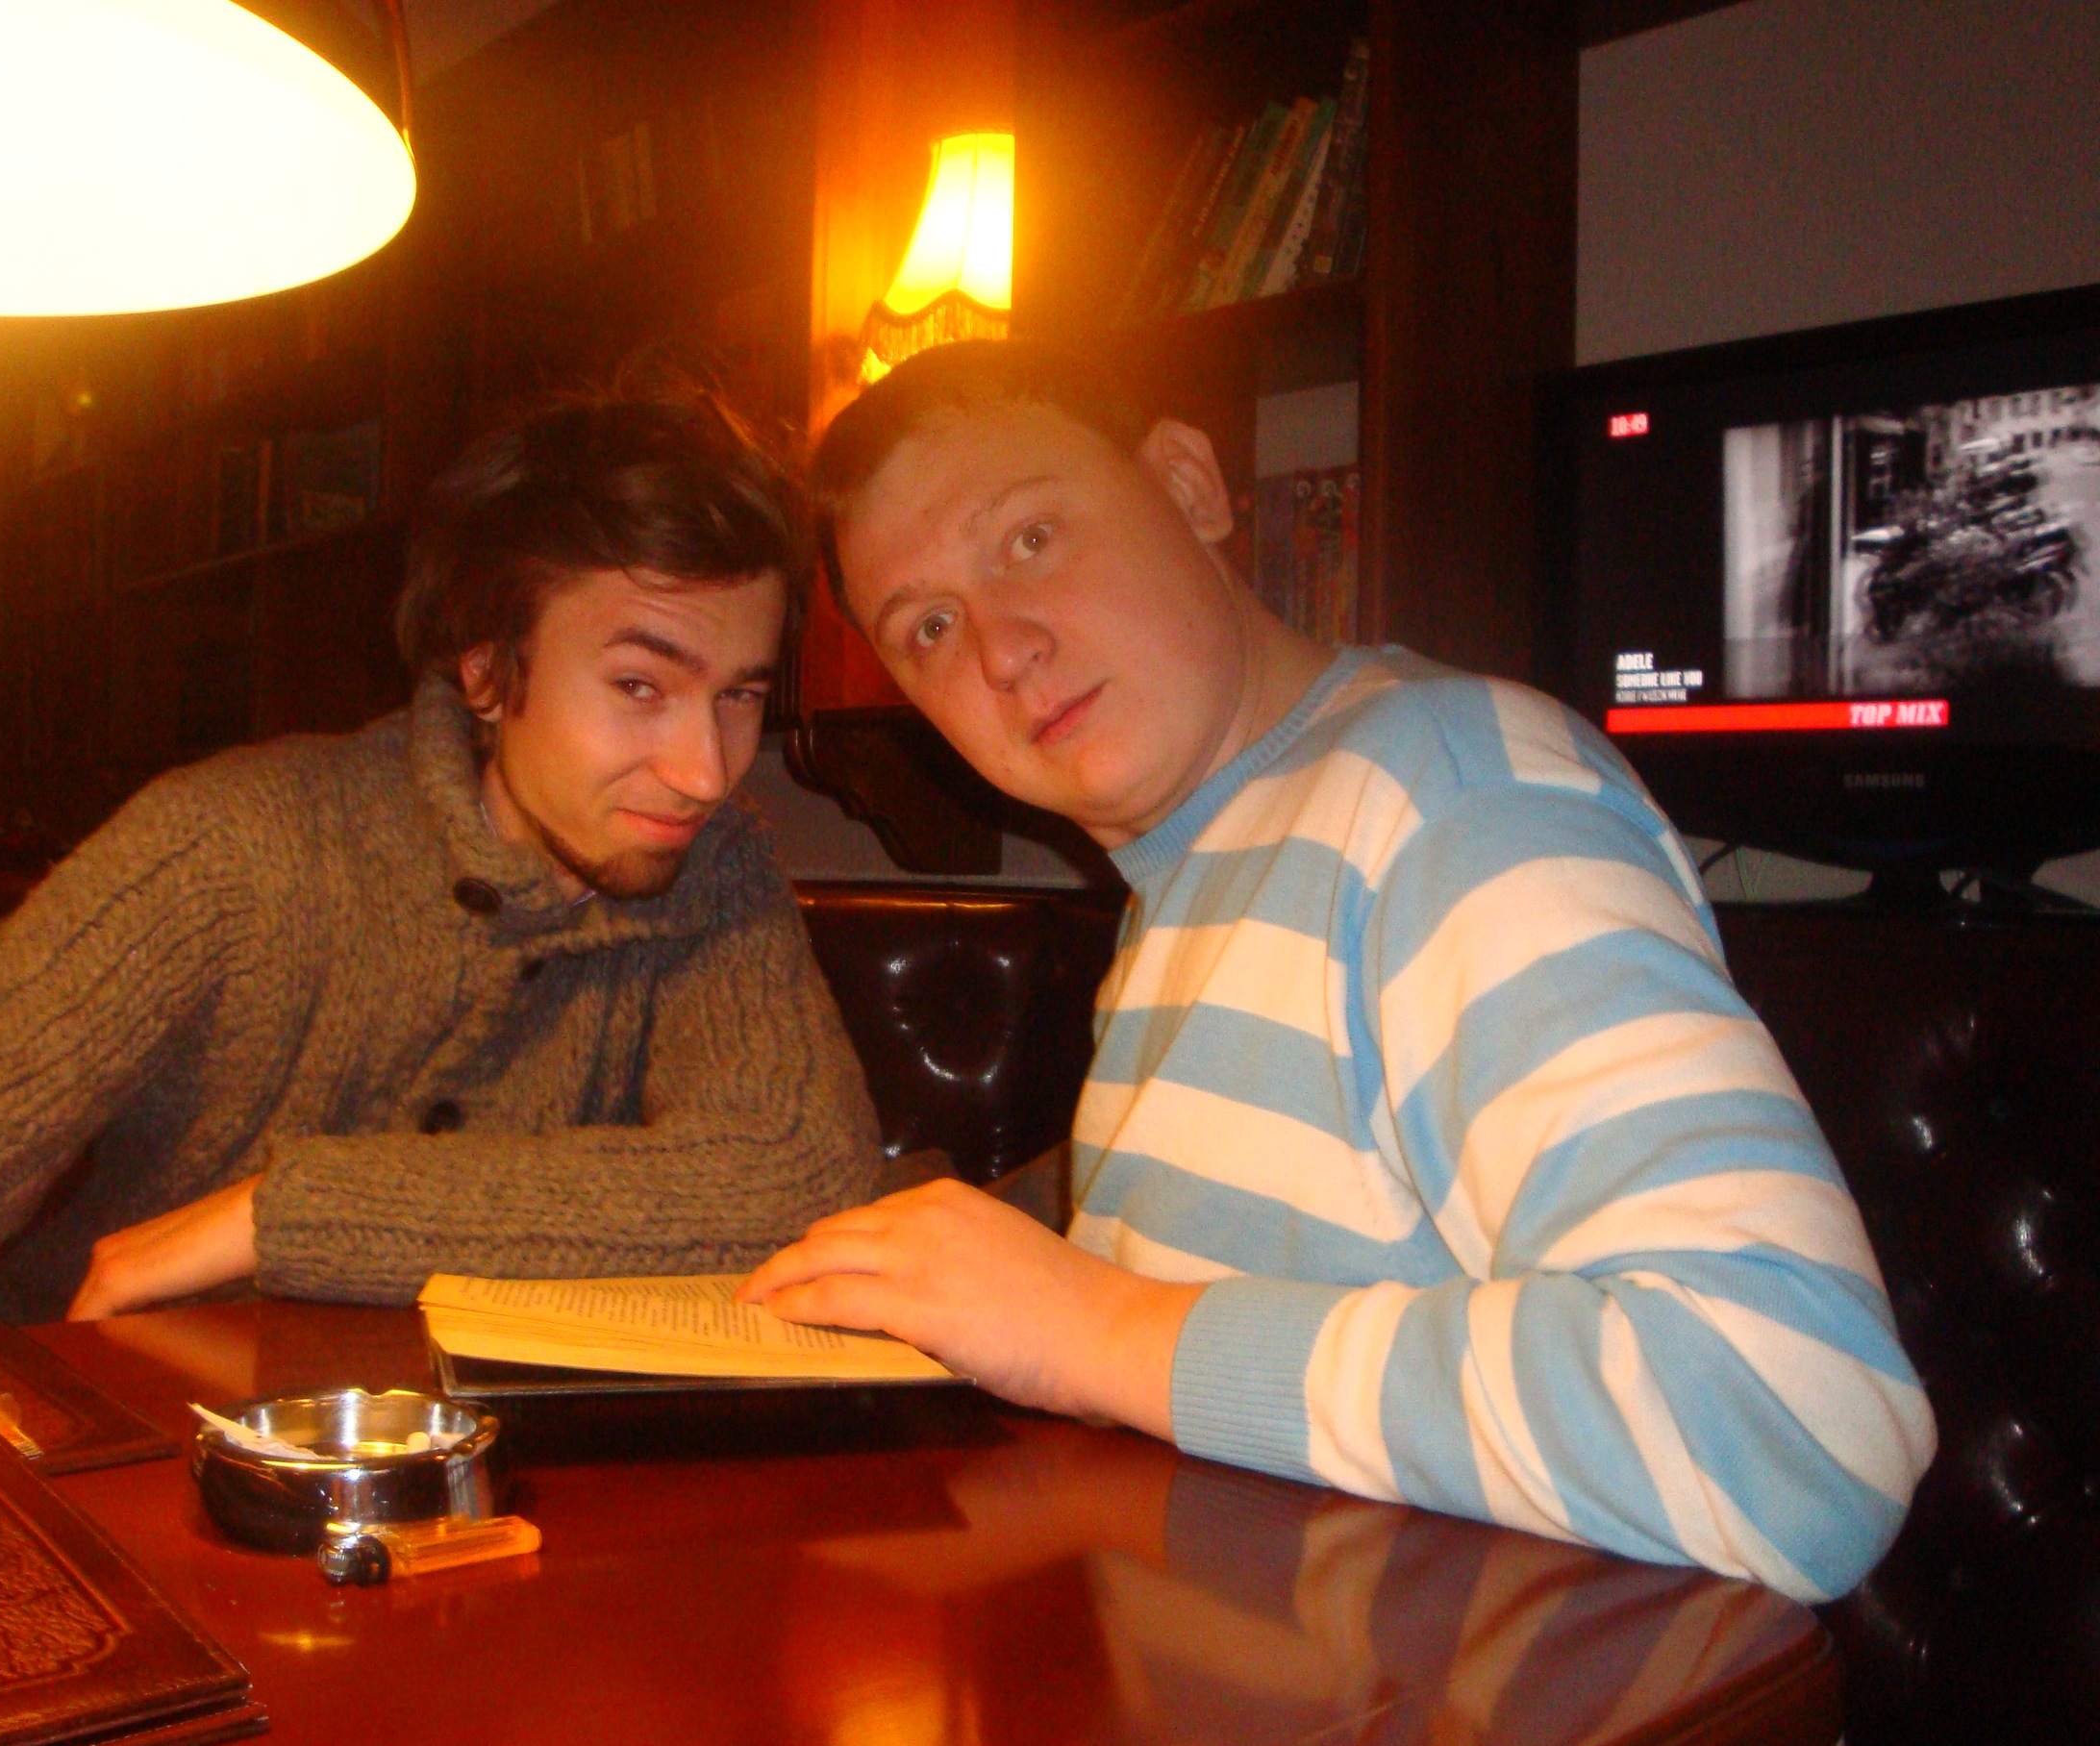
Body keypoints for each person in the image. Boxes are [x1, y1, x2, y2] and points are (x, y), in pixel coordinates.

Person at [745, 337, 1935, 1619]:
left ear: (1188, 483)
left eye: (1030, 539)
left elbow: (1791, 1422)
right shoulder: (1196, 876)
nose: (1000, 651)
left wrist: (1096, 1330)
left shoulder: (1452, 792)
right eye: (928, 628)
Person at [0, 382, 884, 1555]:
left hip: (474, 1542)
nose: (706, 771)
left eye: (738, 698)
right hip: (106, 1495)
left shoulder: (715, 877)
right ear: (487, 667)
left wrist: (280, 1216)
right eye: (640, 685)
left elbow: (792, 1171)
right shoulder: (239, 847)